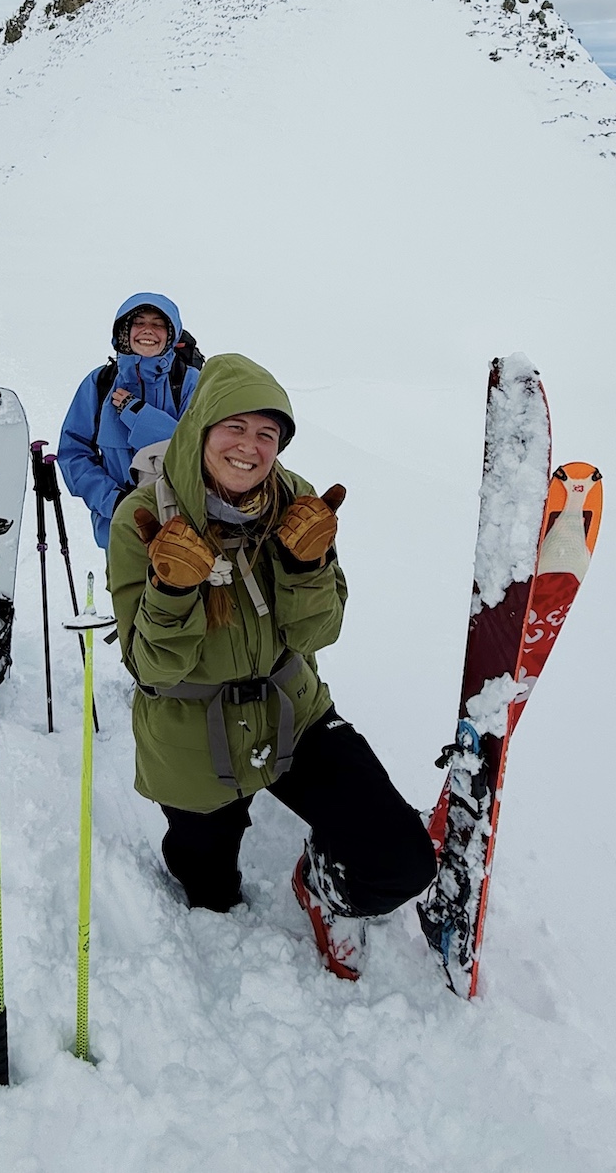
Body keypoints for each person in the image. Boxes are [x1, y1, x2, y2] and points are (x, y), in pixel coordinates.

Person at [107, 353, 436, 980]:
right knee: (209, 890)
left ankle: (321, 884)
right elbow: (152, 671)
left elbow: (320, 632)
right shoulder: (142, 520)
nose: (250, 446)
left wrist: (309, 566)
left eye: (267, 433)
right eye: (235, 427)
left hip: (293, 712)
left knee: (403, 863)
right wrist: (172, 590)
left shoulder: (296, 500)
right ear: (200, 428)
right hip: (192, 737)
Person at [58, 293, 201, 548]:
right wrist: (115, 502)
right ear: (125, 330)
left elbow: (195, 449)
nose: (148, 330)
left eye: (158, 324)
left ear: (171, 334)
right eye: (139, 322)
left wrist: (138, 415)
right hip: (117, 531)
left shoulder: (190, 382)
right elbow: (74, 453)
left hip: (181, 531)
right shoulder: (100, 383)